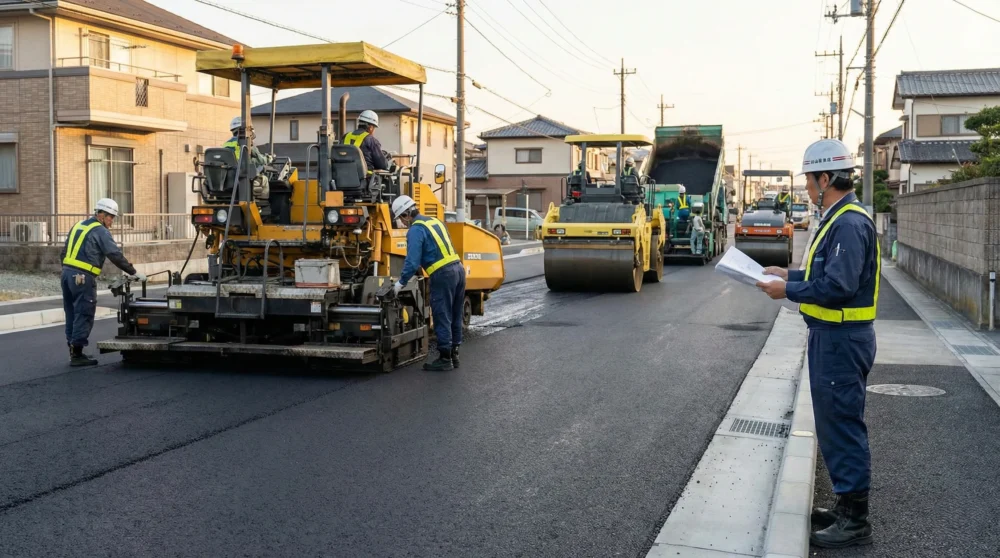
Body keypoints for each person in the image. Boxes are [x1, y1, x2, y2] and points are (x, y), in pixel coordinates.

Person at [755, 138, 880, 549]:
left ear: (826, 178)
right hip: (833, 338)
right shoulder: (838, 218)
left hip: (842, 340)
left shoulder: (847, 222)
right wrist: (788, 275)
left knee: (842, 424)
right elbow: (822, 274)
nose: (808, 188)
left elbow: (838, 285)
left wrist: (786, 292)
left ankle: (855, 520)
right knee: (834, 423)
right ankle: (846, 506)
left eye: (810, 180)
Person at [61, 198, 145, 366]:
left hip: (66, 274)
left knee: (71, 312)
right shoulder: (100, 231)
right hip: (83, 278)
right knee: (84, 313)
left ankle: (72, 349)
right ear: (100, 214)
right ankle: (77, 354)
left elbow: (63, 252)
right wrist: (134, 272)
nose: (112, 221)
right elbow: (114, 254)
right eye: (110, 217)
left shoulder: (78, 225)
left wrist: (68, 271)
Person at [391, 195, 466, 372]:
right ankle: (454, 354)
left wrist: (400, 283)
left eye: (401, 217)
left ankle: (445, 357)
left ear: (407, 214)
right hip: (458, 269)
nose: (402, 222)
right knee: (455, 313)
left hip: (442, 274)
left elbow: (412, 262)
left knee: (442, 314)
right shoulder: (435, 221)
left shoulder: (416, 230)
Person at [343, 110, 389, 174]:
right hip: (366, 180)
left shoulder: (345, 137)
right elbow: (382, 165)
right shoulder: (371, 140)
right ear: (371, 127)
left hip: (343, 178)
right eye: (374, 128)